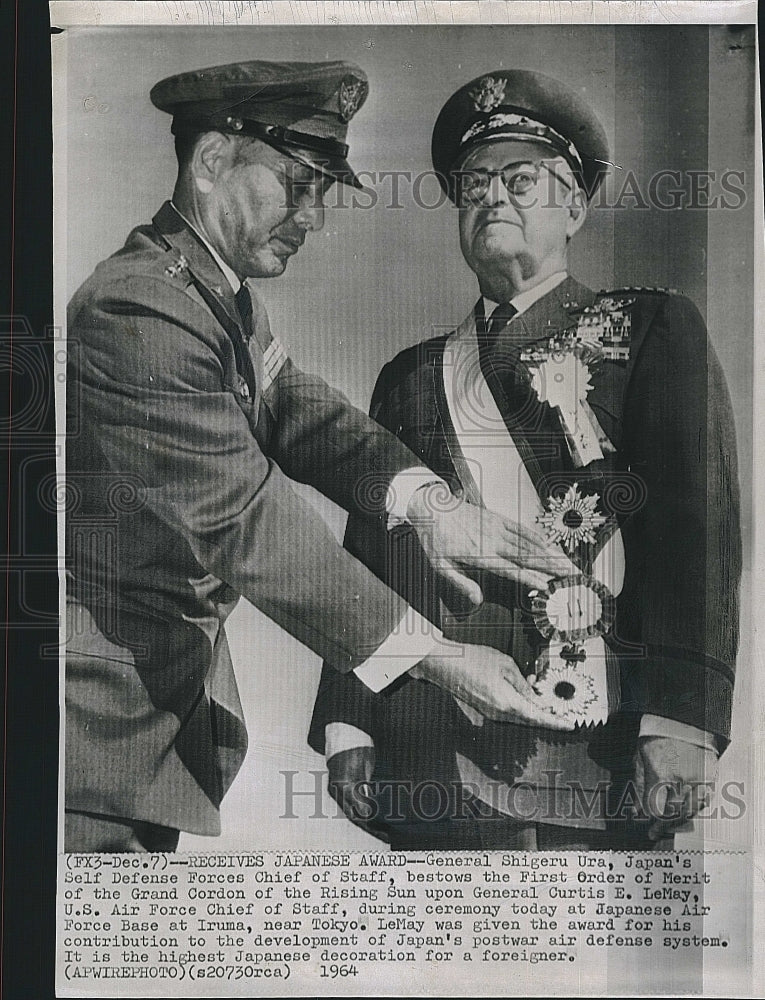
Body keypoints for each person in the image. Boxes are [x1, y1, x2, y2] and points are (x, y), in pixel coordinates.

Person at [64, 60, 576, 852]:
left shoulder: (214, 299)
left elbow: (302, 414)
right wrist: (432, 655)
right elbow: (246, 522)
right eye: (298, 183)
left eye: (324, 192)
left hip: (140, 717)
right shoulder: (137, 306)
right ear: (210, 163)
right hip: (89, 724)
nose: (314, 215)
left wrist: (428, 505)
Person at [310, 69, 742, 850]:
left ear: (574, 206)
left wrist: (682, 716)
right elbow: (367, 558)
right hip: (424, 735)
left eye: (521, 178)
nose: (492, 197)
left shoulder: (649, 328)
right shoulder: (408, 375)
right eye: (474, 182)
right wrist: (346, 720)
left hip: (584, 733)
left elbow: (694, 531)